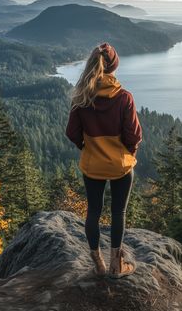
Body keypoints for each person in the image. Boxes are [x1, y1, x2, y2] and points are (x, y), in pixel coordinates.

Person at [65, 42, 143, 279]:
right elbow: (134, 136)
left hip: (92, 165)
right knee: (118, 213)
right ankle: (116, 266)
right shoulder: (124, 98)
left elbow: (72, 133)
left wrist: (87, 148)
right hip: (120, 165)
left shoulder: (81, 97)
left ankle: (98, 264)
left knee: (93, 212)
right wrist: (129, 153)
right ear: (114, 66)